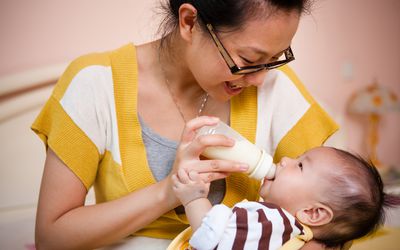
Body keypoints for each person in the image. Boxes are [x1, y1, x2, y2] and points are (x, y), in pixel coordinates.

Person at [31, 0, 339, 249]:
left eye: (275, 58)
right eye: (248, 59)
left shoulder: (277, 90)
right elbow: (52, 237)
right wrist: (170, 191)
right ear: (189, 22)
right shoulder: (95, 84)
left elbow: (330, 222)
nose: (260, 79)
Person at [171, 146, 400, 250]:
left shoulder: (272, 222)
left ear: (312, 213)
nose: (285, 159)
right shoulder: (289, 235)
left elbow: (212, 236)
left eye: (300, 165)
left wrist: (193, 198)